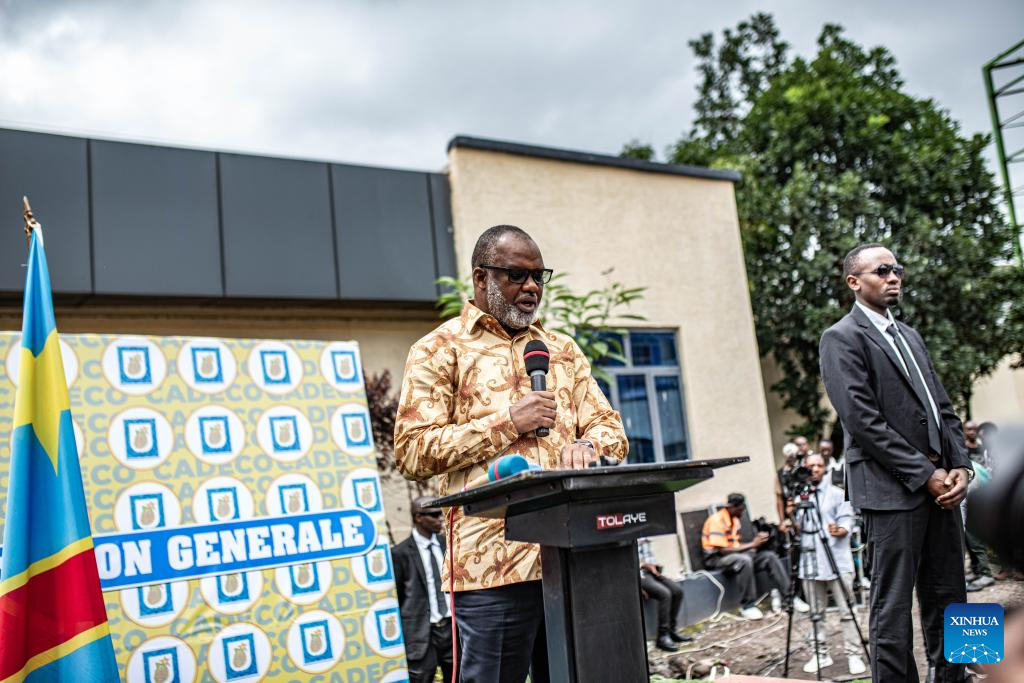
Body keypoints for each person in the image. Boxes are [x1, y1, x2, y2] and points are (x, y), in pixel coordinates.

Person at [394, 225, 628, 683]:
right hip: (490, 571)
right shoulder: (439, 349)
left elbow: (610, 427)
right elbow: (412, 450)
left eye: (539, 276)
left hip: (571, 558)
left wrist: (588, 445)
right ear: (481, 278)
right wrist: (508, 422)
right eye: (517, 275)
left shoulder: (561, 350)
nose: (532, 287)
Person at [819, 243, 973, 683]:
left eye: (897, 270)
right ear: (854, 282)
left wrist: (961, 467)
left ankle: (961, 675)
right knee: (892, 606)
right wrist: (926, 475)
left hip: (944, 488)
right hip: (891, 491)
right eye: (882, 270)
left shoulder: (910, 335)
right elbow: (862, 421)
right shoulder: (840, 337)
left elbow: (943, 408)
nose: (894, 277)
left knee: (955, 597)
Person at [794, 453, 866, 676]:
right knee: (816, 613)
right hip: (811, 561)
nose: (815, 469)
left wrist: (840, 529)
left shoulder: (836, 493)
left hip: (836, 559)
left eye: (819, 465)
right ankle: (820, 653)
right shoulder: (800, 496)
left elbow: (847, 519)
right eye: (811, 465)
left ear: (824, 468)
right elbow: (799, 528)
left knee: (847, 610)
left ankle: (854, 654)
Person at [701, 493, 806, 620]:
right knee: (744, 560)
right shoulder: (717, 520)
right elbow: (723, 550)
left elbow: (735, 546)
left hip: (734, 556)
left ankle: (790, 597)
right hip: (716, 559)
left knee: (769, 557)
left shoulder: (734, 520)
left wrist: (759, 541)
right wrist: (752, 544)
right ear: (733, 507)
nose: (743, 512)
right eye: (741, 509)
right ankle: (748, 606)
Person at [392, 497, 455, 683]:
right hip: (421, 633)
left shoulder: (448, 544)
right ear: (418, 517)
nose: (440, 519)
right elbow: (398, 596)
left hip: (452, 629)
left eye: (441, 513)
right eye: (434, 515)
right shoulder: (400, 553)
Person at [637, 538, 692, 652]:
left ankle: (672, 631)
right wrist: (637, 585)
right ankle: (662, 637)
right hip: (639, 574)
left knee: (677, 591)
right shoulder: (628, 531)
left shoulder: (644, 532)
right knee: (664, 594)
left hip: (652, 572)